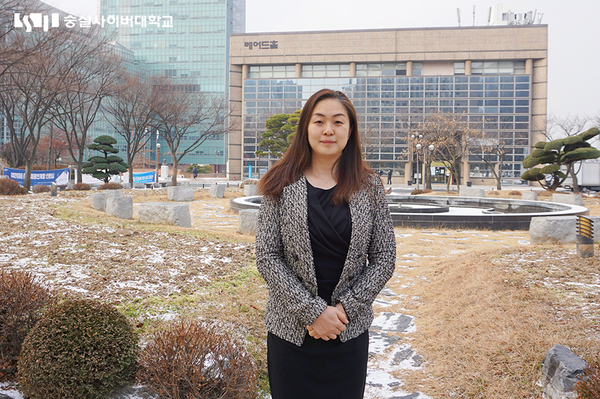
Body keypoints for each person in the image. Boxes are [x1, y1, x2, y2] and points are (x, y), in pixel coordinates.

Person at [256, 89, 396, 399]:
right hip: (292, 334)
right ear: (306, 127)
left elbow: (385, 256)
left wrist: (345, 308)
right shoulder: (280, 183)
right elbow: (267, 256)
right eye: (319, 121)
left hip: (348, 332)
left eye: (338, 121)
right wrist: (313, 313)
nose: (328, 130)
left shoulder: (369, 185)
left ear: (350, 130)